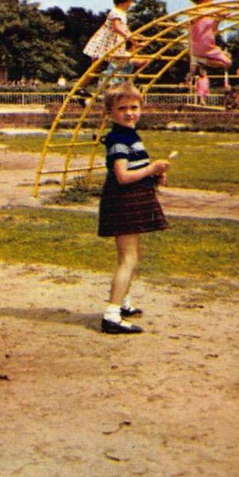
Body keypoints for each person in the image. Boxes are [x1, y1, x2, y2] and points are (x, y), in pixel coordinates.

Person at [96, 84, 169, 335]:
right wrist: (151, 169)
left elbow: (135, 169)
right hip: (123, 200)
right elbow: (123, 176)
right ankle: (112, 315)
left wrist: (154, 176)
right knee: (128, 258)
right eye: (122, 108)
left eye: (134, 107)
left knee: (132, 255)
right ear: (110, 113)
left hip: (133, 198)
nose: (129, 113)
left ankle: (122, 303)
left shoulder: (130, 135)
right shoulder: (118, 138)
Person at [83, 0, 145, 79]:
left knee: (100, 65)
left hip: (111, 43)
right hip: (103, 42)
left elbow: (125, 28)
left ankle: (107, 80)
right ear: (128, 1)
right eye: (130, 1)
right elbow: (117, 27)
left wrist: (135, 36)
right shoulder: (115, 12)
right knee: (95, 66)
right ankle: (82, 87)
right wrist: (130, 39)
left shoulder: (122, 13)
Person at [186, 0, 233, 73]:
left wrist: (218, 19)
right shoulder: (195, 11)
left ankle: (201, 60)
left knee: (228, 60)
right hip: (200, 45)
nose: (212, 1)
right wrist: (217, 12)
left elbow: (213, 31)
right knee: (227, 62)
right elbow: (194, 20)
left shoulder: (210, 13)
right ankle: (200, 59)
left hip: (209, 45)